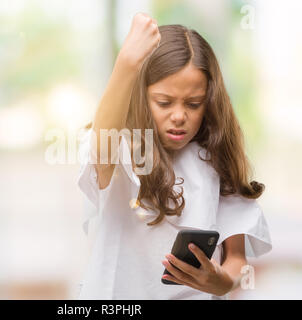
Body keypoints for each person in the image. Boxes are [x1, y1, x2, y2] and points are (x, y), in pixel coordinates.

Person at [76, 12, 272, 300]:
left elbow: (236, 262)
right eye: (164, 102)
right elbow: (102, 149)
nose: (179, 116)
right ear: (140, 96)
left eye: (193, 104)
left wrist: (224, 282)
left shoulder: (215, 159)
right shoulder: (122, 148)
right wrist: (127, 63)